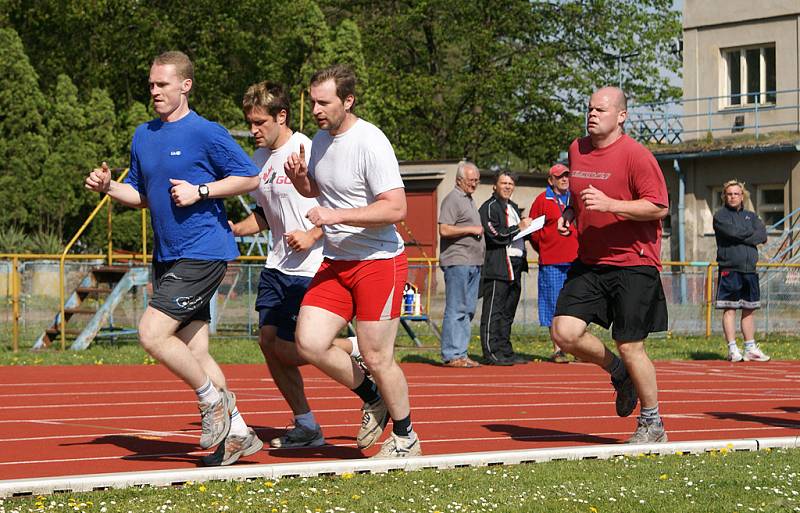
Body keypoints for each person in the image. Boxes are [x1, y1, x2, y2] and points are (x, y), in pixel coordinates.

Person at [84, 51, 263, 465]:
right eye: (151, 84)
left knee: (151, 333)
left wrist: (201, 191)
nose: (154, 91)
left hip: (203, 251)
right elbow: (142, 195)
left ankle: (212, 404)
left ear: (185, 85)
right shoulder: (143, 135)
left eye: (162, 84)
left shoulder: (207, 132)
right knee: (194, 352)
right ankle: (237, 432)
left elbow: (249, 176)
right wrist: (109, 187)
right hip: (168, 255)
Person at [283, 64, 421, 458]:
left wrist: (334, 217)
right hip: (337, 260)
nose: (316, 111)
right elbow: (321, 190)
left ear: (348, 100)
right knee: (308, 343)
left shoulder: (371, 141)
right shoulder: (321, 141)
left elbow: (396, 208)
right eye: (312, 103)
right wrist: (301, 183)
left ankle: (406, 436)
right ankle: (371, 396)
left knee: (377, 356)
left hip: (378, 261)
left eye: (324, 103)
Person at [229, 81, 363, 451]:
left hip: (312, 264)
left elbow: (336, 203)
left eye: (259, 123)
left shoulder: (307, 147)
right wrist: (235, 229)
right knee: (268, 343)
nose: (253, 130)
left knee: (295, 347)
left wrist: (314, 233)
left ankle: (352, 347)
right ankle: (305, 423)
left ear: (281, 116)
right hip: (277, 264)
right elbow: (264, 214)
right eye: (250, 122)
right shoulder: (258, 160)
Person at [551, 86, 670, 444]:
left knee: (630, 343)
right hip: (591, 261)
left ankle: (652, 424)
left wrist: (611, 204)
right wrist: (571, 212)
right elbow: (578, 192)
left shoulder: (637, 156)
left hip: (634, 262)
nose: (592, 115)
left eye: (600, 110)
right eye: (589, 109)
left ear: (621, 116)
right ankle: (618, 372)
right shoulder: (577, 149)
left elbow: (659, 206)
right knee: (564, 333)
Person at [713, 180, 770, 362]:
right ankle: (732, 349)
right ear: (724, 196)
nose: (733, 197)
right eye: (729, 194)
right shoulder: (720, 216)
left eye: (736, 193)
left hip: (749, 270)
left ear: (742, 195)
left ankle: (750, 347)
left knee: (748, 309)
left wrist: (746, 234)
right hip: (730, 269)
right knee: (729, 309)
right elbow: (732, 233)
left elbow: (762, 235)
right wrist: (750, 235)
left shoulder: (751, 216)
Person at [478, 171, 532, 365]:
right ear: (495, 185)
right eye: (504, 183)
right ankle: (491, 352)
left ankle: (505, 351)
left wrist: (531, 228)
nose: (508, 186)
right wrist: (519, 227)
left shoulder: (514, 207)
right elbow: (495, 235)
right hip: (498, 266)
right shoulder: (489, 207)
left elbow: (520, 232)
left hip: (516, 265)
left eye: (510, 183)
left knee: (508, 312)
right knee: (494, 311)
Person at [529, 163, 579, 364]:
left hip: (577, 260)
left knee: (576, 305)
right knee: (553, 304)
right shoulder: (542, 200)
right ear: (551, 180)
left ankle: (577, 347)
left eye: (567, 176)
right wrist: (544, 247)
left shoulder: (574, 198)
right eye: (560, 177)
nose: (565, 179)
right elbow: (533, 231)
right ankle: (558, 349)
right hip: (551, 261)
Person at [437, 161, 484, 368]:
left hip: (473, 262)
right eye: (471, 180)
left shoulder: (469, 199)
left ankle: (461, 353)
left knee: (469, 309)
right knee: (457, 308)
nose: (474, 184)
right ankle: (451, 354)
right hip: (458, 261)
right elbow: (444, 229)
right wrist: (470, 230)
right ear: (459, 180)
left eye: (476, 180)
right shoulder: (452, 199)